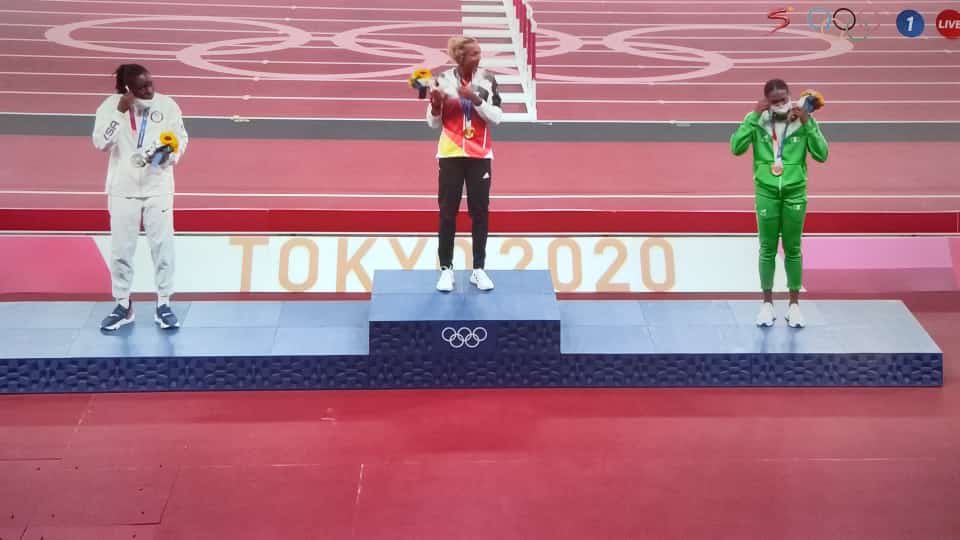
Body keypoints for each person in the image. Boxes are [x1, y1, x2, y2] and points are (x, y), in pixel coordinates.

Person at [92, 64, 188, 330]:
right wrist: (119, 113)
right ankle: (123, 305)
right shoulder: (110, 108)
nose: (149, 91)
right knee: (121, 251)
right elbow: (100, 142)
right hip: (123, 190)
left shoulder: (167, 106)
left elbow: (181, 138)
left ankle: (164, 303)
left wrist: (169, 155)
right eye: (141, 88)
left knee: (163, 248)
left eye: (150, 84)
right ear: (126, 90)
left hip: (158, 187)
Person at [730, 78, 829, 328]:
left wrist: (808, 126)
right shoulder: (757, 120)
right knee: (767, 248)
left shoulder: (803, 119)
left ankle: (794, 306)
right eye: (774, 102)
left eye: (784, 100)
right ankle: (767, 304)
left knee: (793, 248)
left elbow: (822, 154)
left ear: (790, 96)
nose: (780, 105)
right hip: (766, 191)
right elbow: (736, 148)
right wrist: (753, 117)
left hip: (795, 192)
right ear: (766, 102)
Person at [426, 36, 503, 292]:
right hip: (450, 154)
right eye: (473, 54)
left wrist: (476, 99)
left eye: (479, 53)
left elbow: (497, 117)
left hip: (479, 154)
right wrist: (436, 105)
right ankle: (446, 269)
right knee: (448, 213)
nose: (479, 57)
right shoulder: (442, 80)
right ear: (460, 57)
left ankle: (478, 269)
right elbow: (432, 122)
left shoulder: (487, 80)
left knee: (479, 213)